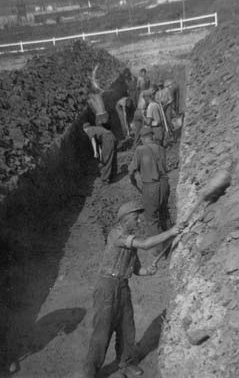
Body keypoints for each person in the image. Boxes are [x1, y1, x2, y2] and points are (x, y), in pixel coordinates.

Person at [81, 201, 180, 378]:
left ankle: (125, 363)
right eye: (136, 218)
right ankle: (90, 371)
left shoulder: (130, 242)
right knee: (102, 330)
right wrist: (171, 232)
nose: (139, 221)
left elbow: (136, 269)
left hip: (122, 287)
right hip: (106, 287)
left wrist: (147, 272)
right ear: (125, 220)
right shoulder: (116, 234)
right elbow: (146, 244)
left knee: (127, 328)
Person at [128, 127, 170, 238]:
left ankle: (160, 250)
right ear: (152, 136)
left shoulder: (140, 150)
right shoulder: (161, 148)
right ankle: (172, 242)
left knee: (152, 219)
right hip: (165, 184)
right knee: (165, 214)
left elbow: (131, 170)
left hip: (151, 187)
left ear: (142, 138)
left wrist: (133, 182)